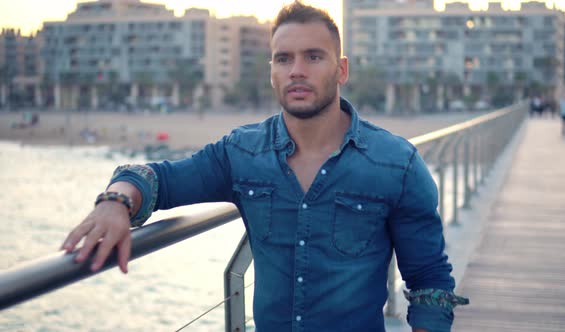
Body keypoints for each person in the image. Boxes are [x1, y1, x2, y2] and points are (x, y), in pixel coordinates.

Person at [61, 2, 467, 331]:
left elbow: (429, 279)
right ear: (272, 73)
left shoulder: (395, 163)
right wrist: (115, 201)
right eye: (283, 59)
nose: (297, 70)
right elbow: (160, 179)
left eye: (313, 56)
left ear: (341, 69)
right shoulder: (242, 153)